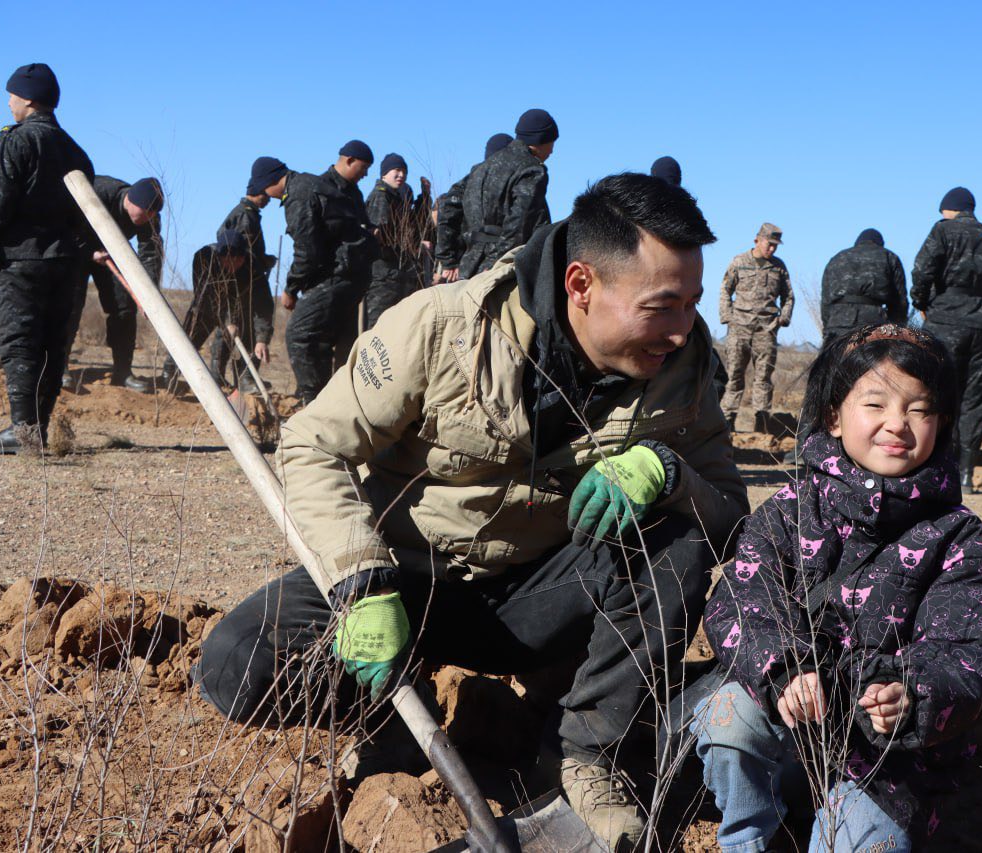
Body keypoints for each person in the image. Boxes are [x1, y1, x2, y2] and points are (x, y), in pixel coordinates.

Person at [195, 173, 749, 850]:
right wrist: (361, 582)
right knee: (233, 662)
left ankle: (585, 755)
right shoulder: (444, 326)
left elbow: (728, 517)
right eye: (663, 306)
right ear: (582, 285)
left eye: (693, 304)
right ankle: (394, 715)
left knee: (677, 539)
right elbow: (313, 444)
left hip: (535, 600)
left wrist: (669, 472)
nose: (683, 328)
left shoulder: (684, 372)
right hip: (401, 581)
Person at [692, 323, 982, 850]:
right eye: (875, 404)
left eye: (920, 409)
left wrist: (911, 694)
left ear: (942, 423)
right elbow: (739, 605)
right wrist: (787, 670)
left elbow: (976, 652)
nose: (898, 425)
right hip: (790, 732)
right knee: (728, 716)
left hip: (888, 762)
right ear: (833, 418)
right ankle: (749, 837)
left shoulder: (958, 536)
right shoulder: (789, 510)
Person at [0, 63, 94, 454]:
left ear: (28, 98)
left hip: (20, 261)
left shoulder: (14, 142)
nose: (9, 102)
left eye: (11, 94)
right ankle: (38, 430)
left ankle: (22, 431)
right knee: (51, 346)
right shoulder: (75, 149)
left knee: (19, 342)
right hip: (65, 264)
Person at [910, 187, 982, 492]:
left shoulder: (943, 231)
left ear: (949, 209)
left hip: (947, 317)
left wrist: (921, 303)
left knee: (934, 390)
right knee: (973, 396)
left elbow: (922, 270)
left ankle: (932, 465)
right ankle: (965, 473)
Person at [279, 140, 377, 403]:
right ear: (348, 160)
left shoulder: (354, 195)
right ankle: (315, 401)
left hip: (349, 278)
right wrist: (293, 286)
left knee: (339, 345)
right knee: (304, 336)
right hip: (327, 277)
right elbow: (309, 247)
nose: (366, 175)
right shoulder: (317, 189)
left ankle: (325, 403)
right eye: (363, 167)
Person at [67, 175, 165, 392]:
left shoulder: (150, 214)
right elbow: (63, 225)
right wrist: (88, 252)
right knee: (69, 306)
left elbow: (151, 252)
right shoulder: (100, 192)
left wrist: (148, 293)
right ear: (131, 200)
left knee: (124, 308)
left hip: (111, 252)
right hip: (75, 249)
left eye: (152, 215)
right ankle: (59, 368)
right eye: (145, 212)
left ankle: (122, 372)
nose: (148, 218)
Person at [441, 109, 557, 282]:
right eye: (552, 142)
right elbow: (519, 224)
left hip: (469, 266)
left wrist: (448, 258)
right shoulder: (531, 169)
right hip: (503, 270)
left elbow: (449, 204)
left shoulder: (482, 168)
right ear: (541, 139)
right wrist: (498, 263)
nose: (552, 151)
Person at [160, 230, 273, 391]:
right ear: (220, 257)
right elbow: (207, 296)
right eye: (227, 260)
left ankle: (244, 380)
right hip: (205, 305)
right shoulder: (204, 258)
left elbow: (263, 304)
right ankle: (169, 375)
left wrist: (262, 338)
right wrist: (226, 321)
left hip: (237, 308)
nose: (233, 265)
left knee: (247, 331)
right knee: (189, 340)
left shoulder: (252, 265)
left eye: (238, 260)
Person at [209, 163, 279, 387]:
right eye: (265, 195)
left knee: (249, 331)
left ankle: (245, 378)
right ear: (257, 192)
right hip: (237, 284)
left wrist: (263, 260)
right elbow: (234, 246)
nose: (268, 199)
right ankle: (216, 377)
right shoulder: (244, 216)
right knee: (228, 331)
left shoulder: (251, 215)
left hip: (251, 282)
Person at [719, 223, 794, 429]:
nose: (772, 249)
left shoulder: (779, 267)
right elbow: (725, 290)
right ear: (757, 240)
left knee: (763, 378)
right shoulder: (739, 262)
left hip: (766, 330)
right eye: (769, 244)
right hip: (739, 329)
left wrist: (783, 319)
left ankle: (761, 423)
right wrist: (728, 317)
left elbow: (789, 297)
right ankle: (726, 422)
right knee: (734, 376)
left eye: (775, 246)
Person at [364, 152, 431, 329]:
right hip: (384, 275)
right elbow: (381, 235)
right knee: (378, 328)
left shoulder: (397, 198)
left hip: (398, 273)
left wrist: (424, 198)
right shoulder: (381, 196)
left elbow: (417, 226)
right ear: (384, 173)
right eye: (397, 170)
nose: (401, 175)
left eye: (404, 171)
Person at [434, 132, 513, 281]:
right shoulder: (514, 181)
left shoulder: (469, 180)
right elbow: (447, 212)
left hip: (470, 264)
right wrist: (448, 260)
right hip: (492, 261)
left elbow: (446, 212)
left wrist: (448, 260)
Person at [820, 228, 908, 344]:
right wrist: (895, 329)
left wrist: (828, 326)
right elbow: (900, 301)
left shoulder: (837, 258)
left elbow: (826, 301)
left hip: (838, 323)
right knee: (870, 361)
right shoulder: (889, 257)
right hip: (874, 322)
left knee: (832, 361)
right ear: (880, 244)